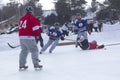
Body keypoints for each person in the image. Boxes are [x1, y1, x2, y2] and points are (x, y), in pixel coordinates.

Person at [18, 6, 42, 70]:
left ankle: (21, 65)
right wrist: (37, 35)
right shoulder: (32, 18)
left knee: (24, 51)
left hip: (21, 37)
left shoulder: (22, 18)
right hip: (28, 36)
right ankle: (36, 64)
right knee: (34, 50)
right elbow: (36, 28)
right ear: (32, 11)